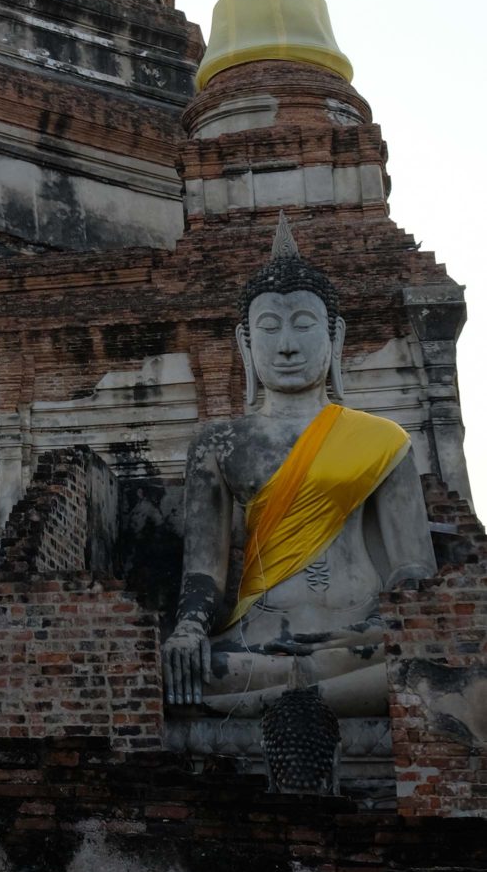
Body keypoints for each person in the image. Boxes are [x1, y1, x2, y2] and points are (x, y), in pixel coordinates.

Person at [163, 215, 434, 716]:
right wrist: (187, 630)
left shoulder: (383, 440)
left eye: (303, 324)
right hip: (257, 638)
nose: (286, 344)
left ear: (336, 336)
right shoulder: (219, 443)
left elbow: (412, 567)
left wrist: (415, 627)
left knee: (434, 667)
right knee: (185, 678)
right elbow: (204, 571)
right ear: (246, 344)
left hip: (363, 634)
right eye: (270, 328)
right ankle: (317, 697)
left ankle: (297, 699)